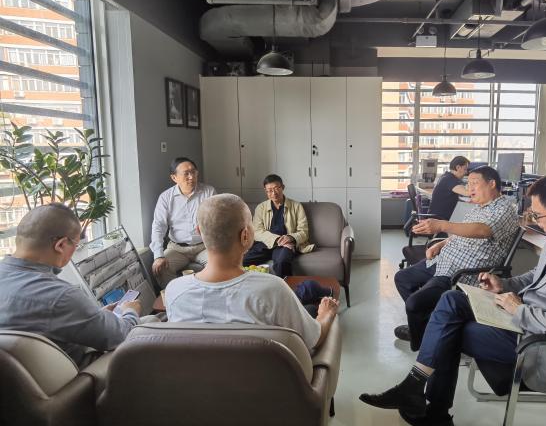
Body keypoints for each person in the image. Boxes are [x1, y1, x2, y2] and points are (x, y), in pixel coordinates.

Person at [360, 173, 546, 426]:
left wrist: (518, 310)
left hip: (543, 344)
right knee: (452, 300)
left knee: (449, 331)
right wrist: (504, 284)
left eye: (537, 215)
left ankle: (430, 406)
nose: (533, 220)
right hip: (524, 318)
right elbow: (537, 275)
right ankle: (415, 388)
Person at [165, 194, 338, 351]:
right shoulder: (273, 288)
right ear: (245, 236)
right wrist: (326, 314)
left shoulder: (174, 291)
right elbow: (315, 339)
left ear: (199, 232)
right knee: (313, 310)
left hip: (199, 376)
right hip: (265, 375)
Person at [394, 166, 519, 351]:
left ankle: (421, 339)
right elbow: (463, 232)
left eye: (475, 183)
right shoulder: (479, 207)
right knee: (402, 278)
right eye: (468, 184)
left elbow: (482, 230)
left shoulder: (504, 209)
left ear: (492, 184)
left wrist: (442, 225)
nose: (470, 188)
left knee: (414, 304)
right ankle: (427, 325)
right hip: (444, 260)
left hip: (460, 271)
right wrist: (440, 244)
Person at [0, 204, 142, 367]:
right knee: (150, 322)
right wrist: (131, 311)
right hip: (77, 377)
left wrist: (93, 316)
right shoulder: (61, 296)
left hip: (17, 379)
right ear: (61, 245)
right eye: (76, 245)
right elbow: (123, 337)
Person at [150, 157, 216, 288]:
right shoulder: (165, 197)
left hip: (204, 246)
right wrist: (158, 256)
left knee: (219, 266)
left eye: (193, 172)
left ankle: (207, 297)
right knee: (161, 268)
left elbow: (217, 221)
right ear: (174, 177)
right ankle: (176, 297)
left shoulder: (209, 192)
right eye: (186, 173)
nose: (191, 177)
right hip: (177, 248)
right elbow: (158, 227)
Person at [243, 174, 313, 278]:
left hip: (286, 244)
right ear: (266, 191)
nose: (274, 193)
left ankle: (285, 287)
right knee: (242, 261)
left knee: (282, 262)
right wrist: (277, 240)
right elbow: (257, 232)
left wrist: (290, 238)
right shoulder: (261, 208)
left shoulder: (296, 206)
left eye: (276, 188)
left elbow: (304, 232)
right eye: (269, 190)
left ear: (283, 187)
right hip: (265, 243)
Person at [427, 156, 470, 221]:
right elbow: (467, 193)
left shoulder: (446, 176)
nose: (466, 172)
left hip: (438, 217)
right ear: (458, 167)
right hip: (439, 219)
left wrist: (464, 201)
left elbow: (450, 198)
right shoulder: (450, 179)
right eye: (465, 169)